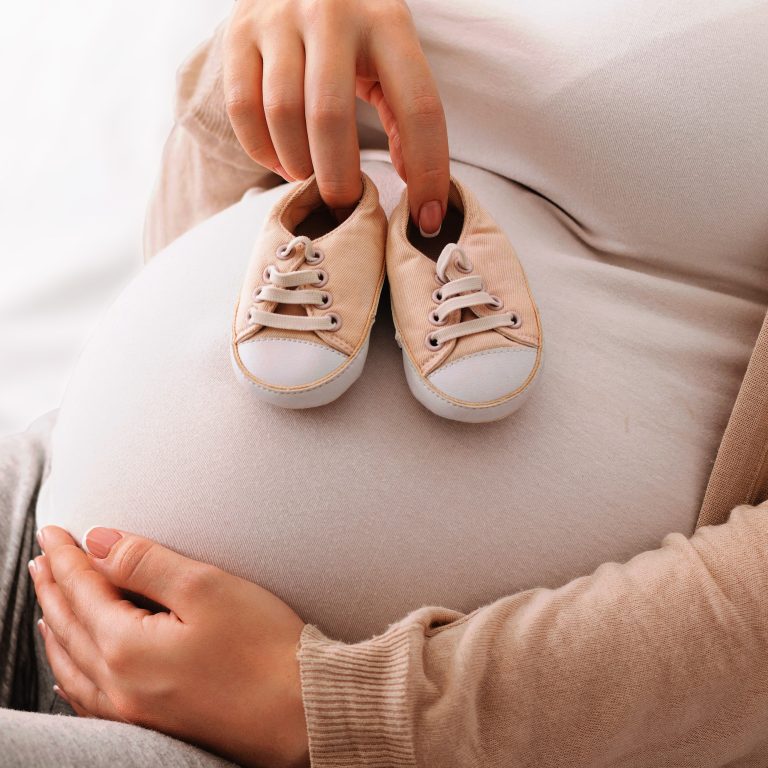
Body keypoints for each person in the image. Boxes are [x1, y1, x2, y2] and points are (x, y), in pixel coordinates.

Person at [3, 1, 768, 766]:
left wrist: (346, 708)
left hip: (367, 726)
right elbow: (191, 218)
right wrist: (256, 54)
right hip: (55, 537)